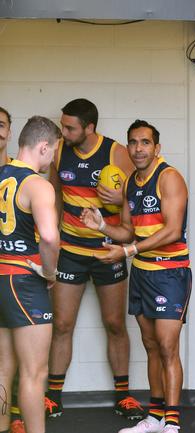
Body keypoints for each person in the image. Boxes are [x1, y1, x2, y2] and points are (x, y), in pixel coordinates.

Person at [80, 120, 191, 433]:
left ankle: (172, 422)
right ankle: (155, 417)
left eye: (145, 142)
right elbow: (128, 230)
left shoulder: (169, 178)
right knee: (151, 345)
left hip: (170, 273)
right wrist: (102, 226)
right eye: (133, 142)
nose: (138, 148)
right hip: (142, 272)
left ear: (157, 148)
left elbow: (171, 230)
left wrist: (127, 251)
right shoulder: (130, 181)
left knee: (168, 346)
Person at [46, 98, 143, 419]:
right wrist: (54, 240)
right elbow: (56, 193)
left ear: (90, 128)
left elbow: (138, 195)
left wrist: (122, 196)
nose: (64, 131)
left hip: (107, 251)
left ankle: (123, 395)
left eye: (70, 127)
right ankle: (53, 395)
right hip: (70, 251)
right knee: (61, 324)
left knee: (115, 324)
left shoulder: (115, 153)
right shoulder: (60, 151)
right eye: (63, 125)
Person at [0, 116, 61, 433]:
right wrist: (49, 272)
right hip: (23, 281)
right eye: (53, 152)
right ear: (43, 146)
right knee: (34, 372)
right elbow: (50, 237)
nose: (52, 160)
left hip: (0, 277)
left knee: (2, 368)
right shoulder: (37, 184)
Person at [0, 107, 26, 433]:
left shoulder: (21, 174)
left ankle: (11, 416)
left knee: (11, 355)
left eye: (1, 125)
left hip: (12, 277)